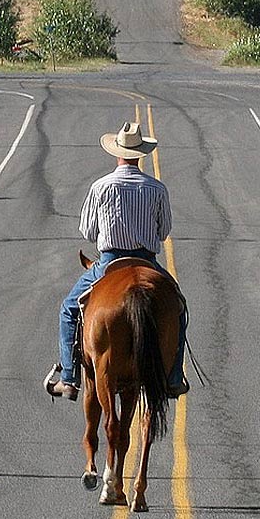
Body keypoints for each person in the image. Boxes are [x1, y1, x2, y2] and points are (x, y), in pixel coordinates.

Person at [44, 121, 189, 401]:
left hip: (108, 263)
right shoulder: (157, 188)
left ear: (117, 152)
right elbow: (164, 230)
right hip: (147, 262)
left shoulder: (100, 187)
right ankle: (173, 377)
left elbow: (87, 231)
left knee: (68, 310)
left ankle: (70, 378)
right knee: (179, 308)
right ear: (140, 154)